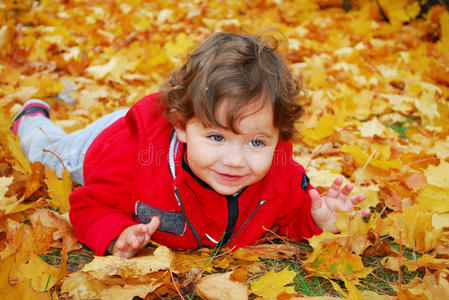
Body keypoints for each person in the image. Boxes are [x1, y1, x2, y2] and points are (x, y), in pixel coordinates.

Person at [12, 32, 368, 258]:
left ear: (278, 137)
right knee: (50, 155)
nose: (235, 160)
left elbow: (287, 216)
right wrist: (115, 233)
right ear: (181, 127)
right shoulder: (134, 164)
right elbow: (90, 204)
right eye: (217, 137)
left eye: (256, 141)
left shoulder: (278, 174)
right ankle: (29, 120)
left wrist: (317, 218)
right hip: (105, 144)